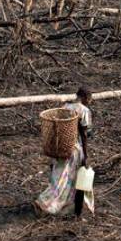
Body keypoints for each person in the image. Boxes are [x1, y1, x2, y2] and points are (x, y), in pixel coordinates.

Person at [35, 86, 94, 217]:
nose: (89, 102)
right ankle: (46, 202)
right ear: (85, 97)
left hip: (60, 148)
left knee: (57, 177)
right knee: (67, 180)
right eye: (89, 99)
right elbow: (84, 135)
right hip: (73, 150)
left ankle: (55, 205)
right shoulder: (84, 111)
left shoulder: (65, 107)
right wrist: (85, 155)